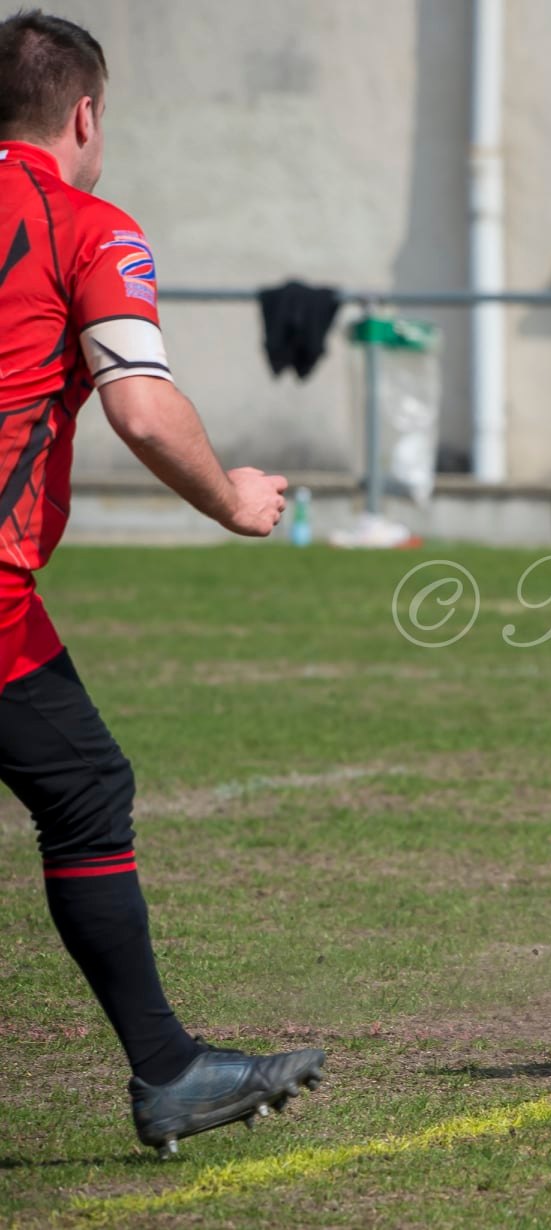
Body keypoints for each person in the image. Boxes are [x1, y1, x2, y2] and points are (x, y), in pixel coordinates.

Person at [0, 10, 324, 1155]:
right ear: (85, 115)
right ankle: (170, 1071)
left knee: (83, 777)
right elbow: (138, 403)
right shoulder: (85, 223)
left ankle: (170, 1065)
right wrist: (233, 498)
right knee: (86, 788)